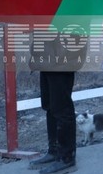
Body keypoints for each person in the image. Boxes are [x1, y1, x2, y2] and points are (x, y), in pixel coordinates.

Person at [27, 29, 86, 174]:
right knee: (50, 106)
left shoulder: (72, 10)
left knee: (62, 109)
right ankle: (54, 150)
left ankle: (67, 157)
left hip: (61, 63)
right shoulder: (48, 11)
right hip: (46, 62)